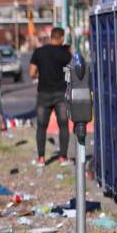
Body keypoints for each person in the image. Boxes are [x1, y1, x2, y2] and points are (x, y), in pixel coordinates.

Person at [30, 27, 72, 166]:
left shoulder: (39, 52)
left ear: (50, 37)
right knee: (63, 125)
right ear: (61, 38)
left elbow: (32, 73)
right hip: (61, 94)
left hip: (43, 94)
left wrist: (41, 75)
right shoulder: (65, 54)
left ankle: (41, 158)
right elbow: (71, 71)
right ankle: (62, 158)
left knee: (41, 126)